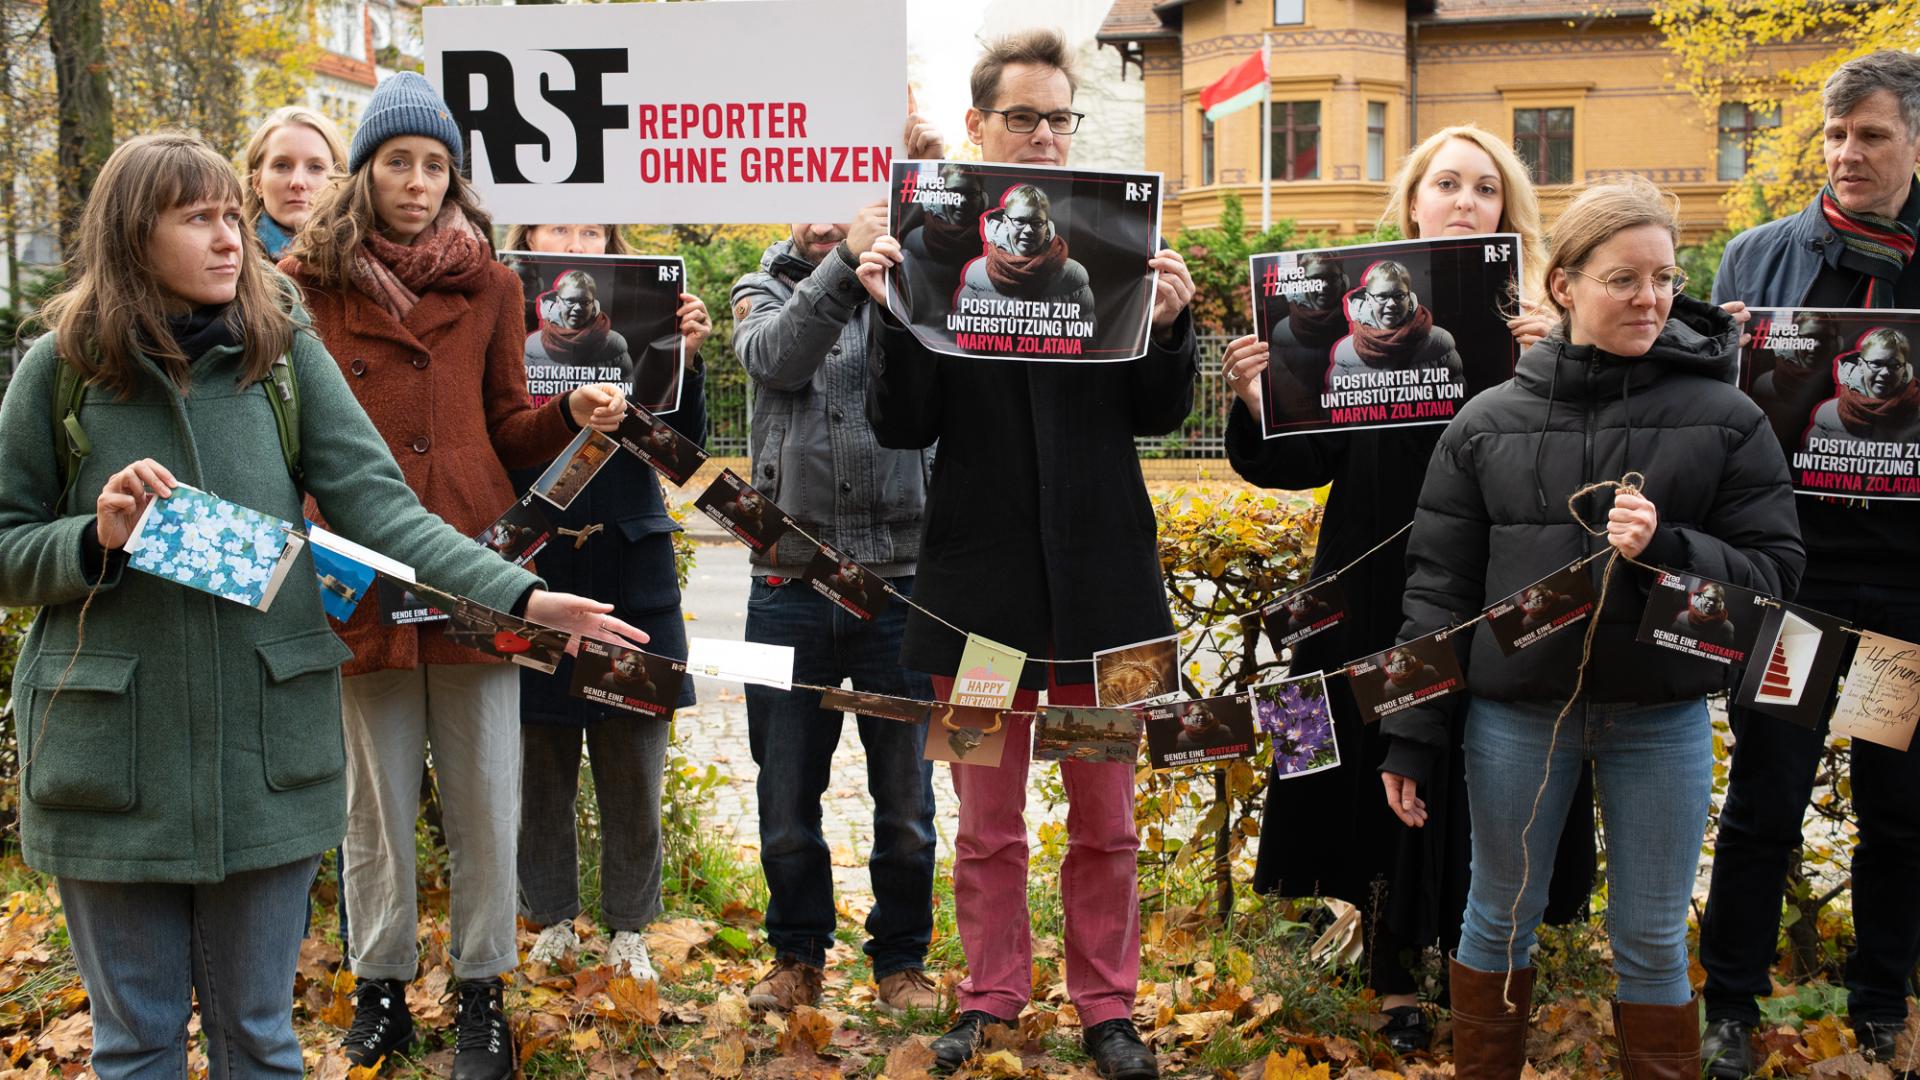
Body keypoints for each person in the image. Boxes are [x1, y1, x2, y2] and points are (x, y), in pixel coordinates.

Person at [0, 132, 643, 1080]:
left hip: (268, 753)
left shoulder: (285, 354)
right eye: (200, 219)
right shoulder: (62, 369)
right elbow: (10, 549)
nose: (231, 239)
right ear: (134, 236)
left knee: (261, 1043)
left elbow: (382, 506)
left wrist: (521, 597)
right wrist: (91, 537)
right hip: (111, 760)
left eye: (231, 214)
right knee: (134, 1049)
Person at [1381, 176, 1803, 1079]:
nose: (1650, 298)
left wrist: (1671, 547)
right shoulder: (1486, 424)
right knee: (1496, 917)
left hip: (1662, 722)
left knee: (1651, 938)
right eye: (1624, 279)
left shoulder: (1728, 421)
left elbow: (1775, 577)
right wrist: (1410, 736)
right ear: (1564, 284)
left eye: (1665, 277)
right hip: (1518, 721)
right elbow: (1437, 591)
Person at [855, 28, 1197, 1080]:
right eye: (1023, 119)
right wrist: (893, 317)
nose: (1045, 138)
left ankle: (1109, 1010)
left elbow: (1161, 413)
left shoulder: (1109, 246)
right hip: (977, 606)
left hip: (1107, 604)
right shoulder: (940, 251)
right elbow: (902, 424)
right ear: (979, 127)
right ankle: (989, 998)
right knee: (985, 823)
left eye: (1060, 118)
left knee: (1107, 822)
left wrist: (1173, 321)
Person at [282, 72, 628, 1080]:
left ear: (452, 178)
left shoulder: (492, 282)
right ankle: (381, 992)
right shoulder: (303, 288)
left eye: (435, 165)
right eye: (399, 161)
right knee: (376, 802)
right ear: (365, 172)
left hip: (476, 560)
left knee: (485, 789)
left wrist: (570, 419)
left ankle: (484, 996)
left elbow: (508, 426)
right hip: (356, 571)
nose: (418, 182)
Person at [1219, 125, 1580, 1056]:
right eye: (1446, 184)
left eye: (1485, 188)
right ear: (1412, 204)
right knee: (1358, 755)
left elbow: (1586, 463)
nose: (1465, 201)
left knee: (1475, 765)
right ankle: (1385, 965)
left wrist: (1562, 369)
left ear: (1508, 210)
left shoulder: (1544, 322)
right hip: (1367, 583)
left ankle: (1480, 953)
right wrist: (1261, 404)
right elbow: (1299, 468)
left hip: (1494, 583)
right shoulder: (1350, 326)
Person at [1700, 48, 1920, 1078]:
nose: (1847, 155)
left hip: (1903, 588)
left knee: (1898, 815)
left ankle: (1882, 1007)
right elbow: (1703, 406)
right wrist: (1721, 353)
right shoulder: (1757, 259)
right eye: (1835, 135)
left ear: (1914, 141)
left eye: (1871, 135)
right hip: (1795, 584)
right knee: (1764, 803)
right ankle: (1729, 1009)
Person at [728, 99, 946, 1018]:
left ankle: (901, 962)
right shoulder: (761, 282)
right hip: (781, 584)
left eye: (855, 185)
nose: (831, 207)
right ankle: (796, 955)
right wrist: (841, 267)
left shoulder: (927, 283)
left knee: (908, 804)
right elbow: (776, 358)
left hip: (906, 584)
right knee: (784, 797)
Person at [505, 222, 711, 979]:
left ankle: (630, 927)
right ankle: (551, 917)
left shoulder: (640, 331)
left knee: (633, 759)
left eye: (589, 228)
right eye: (557, 227)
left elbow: (683, 451)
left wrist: (685, 359)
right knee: (539, 757)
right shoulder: (505, 318)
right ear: (527, 235)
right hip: (532, 560)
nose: (573, 238)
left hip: (634, 564)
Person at [957, 183, 1095, 312]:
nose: (1028, 230)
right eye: (1020, 221)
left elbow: (1084, 331)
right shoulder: (978, 273)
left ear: (1047, 225)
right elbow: (962, 331)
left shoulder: (1073, 274)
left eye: (1037, 222)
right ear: (1006, 222)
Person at [1326, 260, 1463, 383]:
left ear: (1408, 297)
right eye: (1382, 296)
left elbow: (1458, 401)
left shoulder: (1439, 342)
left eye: (1399, 296)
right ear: (1368, 300)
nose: (1391, 303)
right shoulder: (1347, 352)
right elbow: (1338, 408)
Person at [242, 106, 347, 259]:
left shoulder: (365, 261)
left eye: (315, 167)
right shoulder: (231, 264)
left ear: (340, 180)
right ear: (257, 182)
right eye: (282, 165)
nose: (298, 182)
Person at [1807, 327, 1920, 443]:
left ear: (1904, 369)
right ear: (1861, 366)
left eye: (1894, 365)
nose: (1885, 372)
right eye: (1876, 363)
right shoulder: (1830, 415)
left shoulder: (1917, 416)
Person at [523, 269, 632, 375]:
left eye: (584, 302)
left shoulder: (614, 344)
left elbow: (625, 391)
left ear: (593, 304)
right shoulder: (533, 345)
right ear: (558, 302)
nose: (578, 308)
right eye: (570, 301)